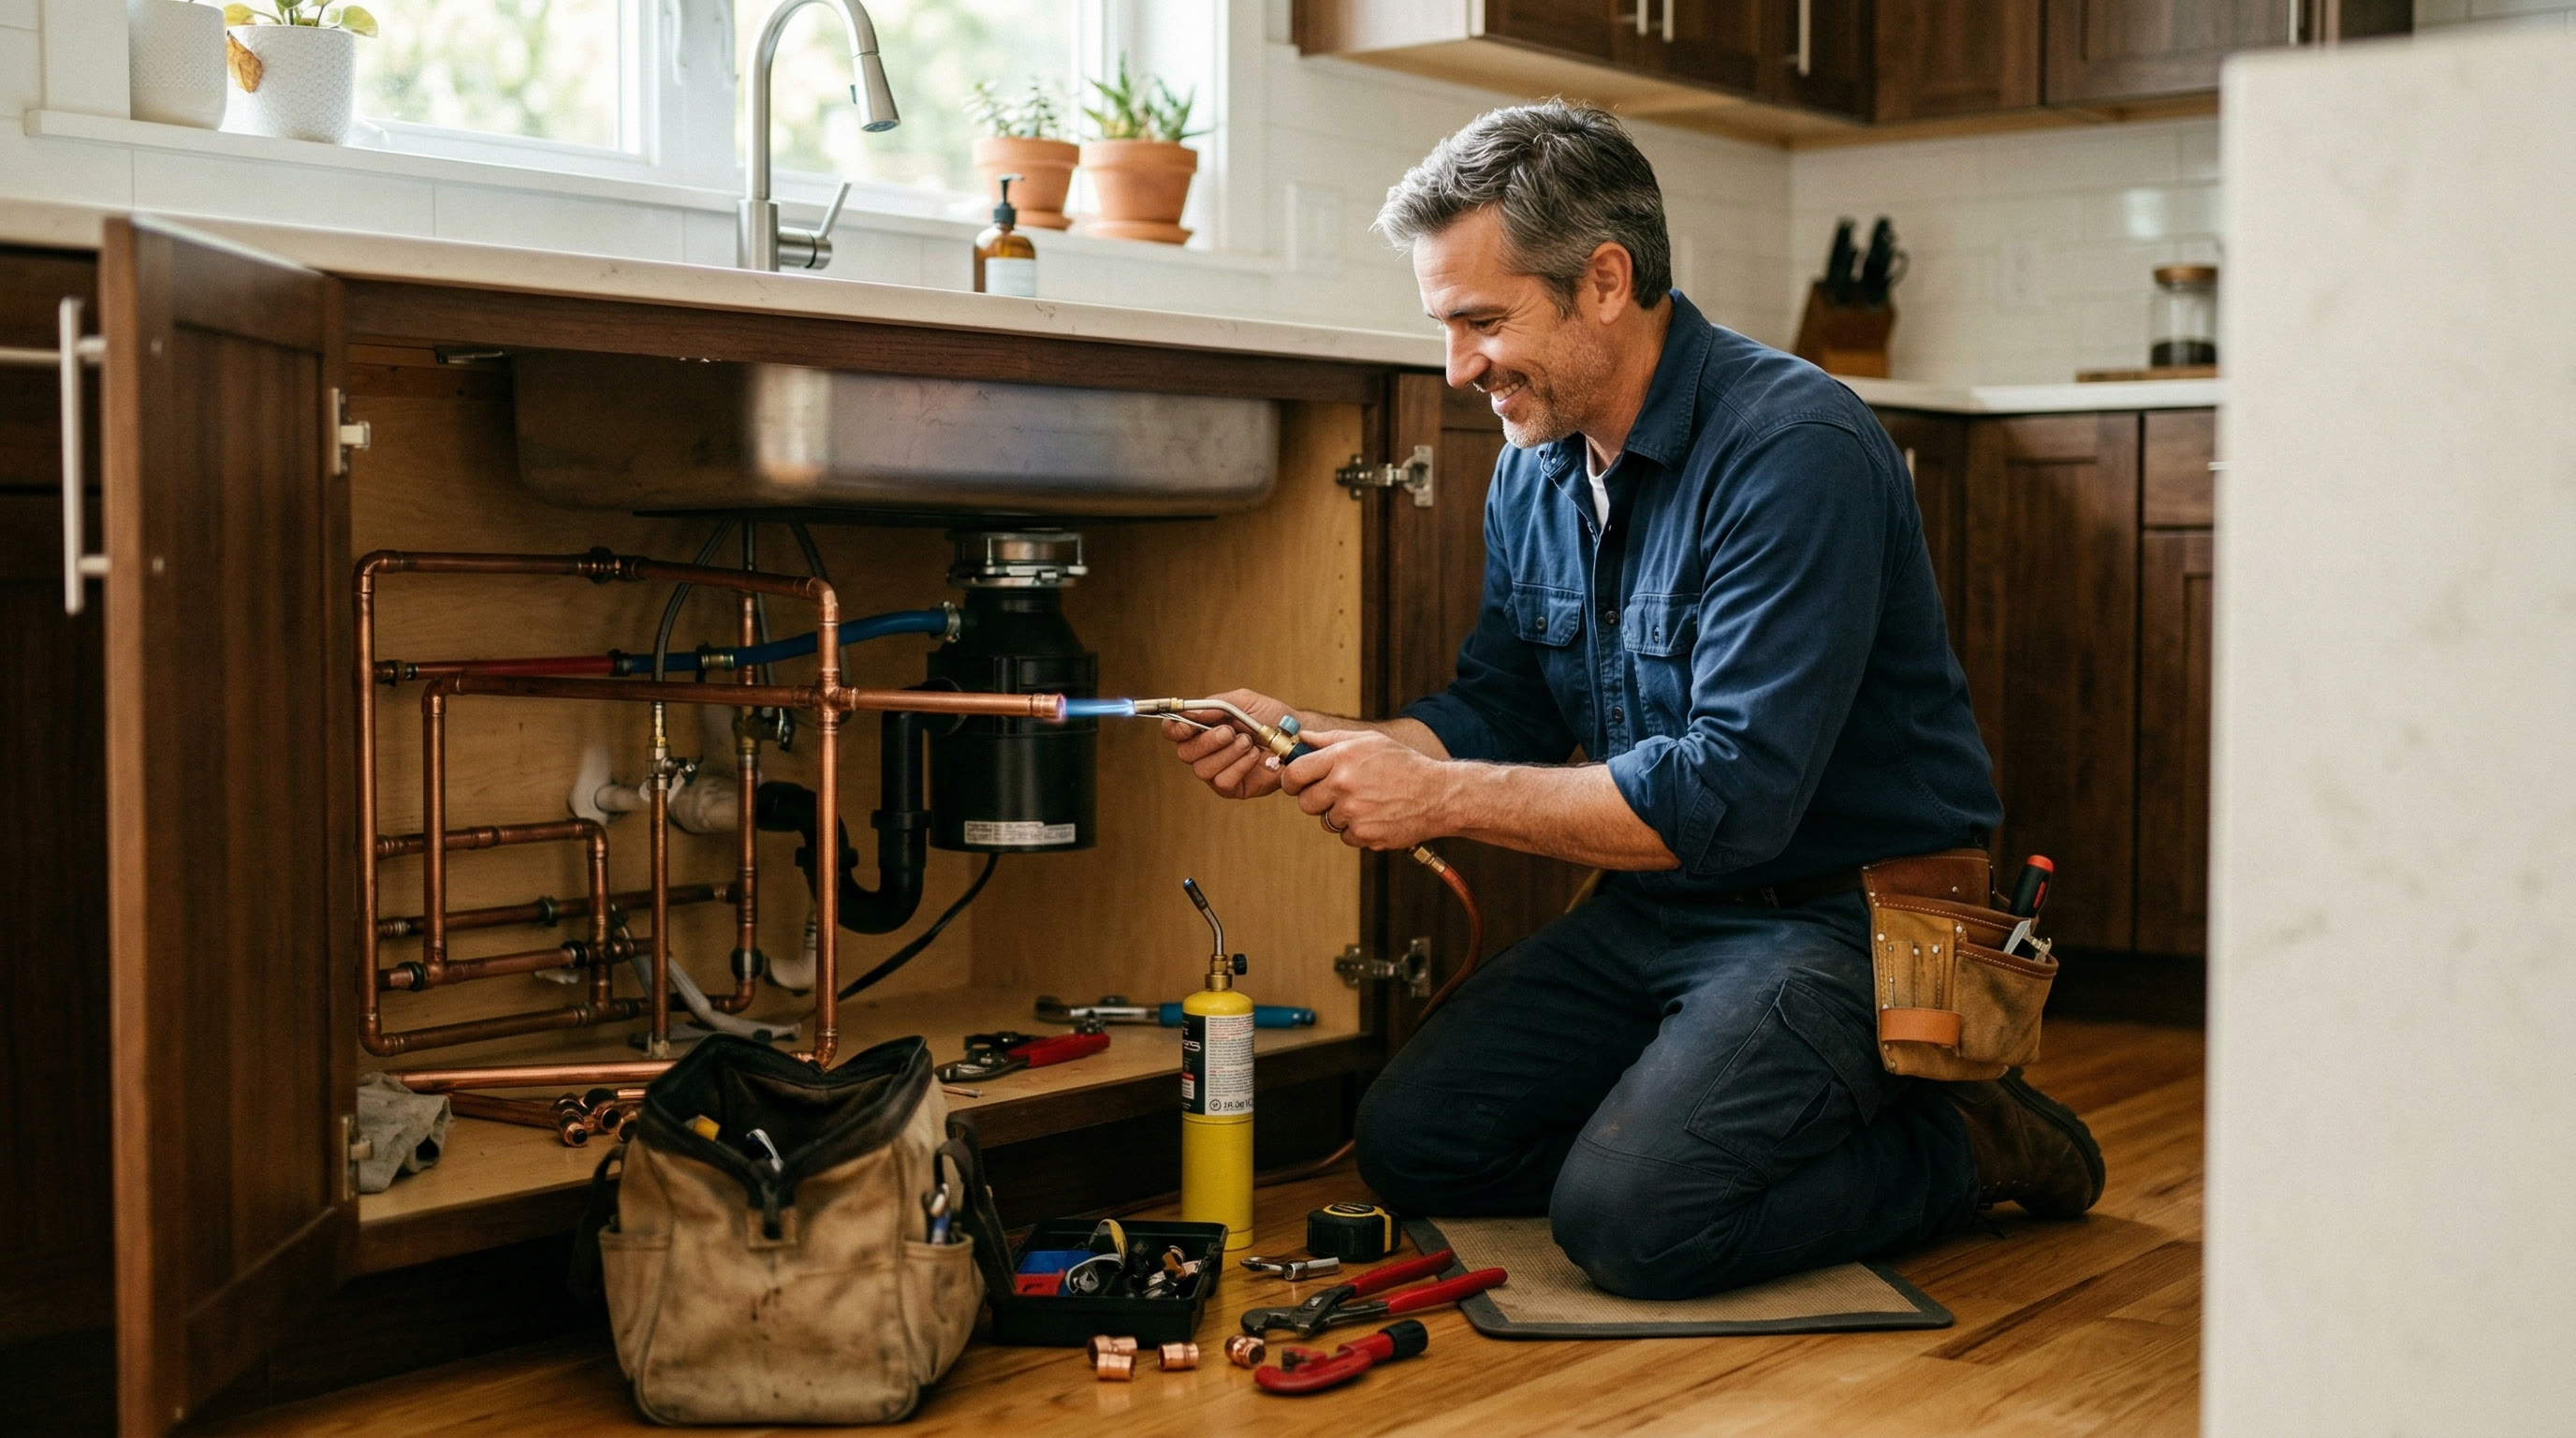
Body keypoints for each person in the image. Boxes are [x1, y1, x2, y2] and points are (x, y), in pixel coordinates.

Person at [1160, 101, 2104, 1299]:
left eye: (1482, 322)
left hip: (1847, 919)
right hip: (1658, 907)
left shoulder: (1796, 446)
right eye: (1444, 328)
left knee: (1634, 1227)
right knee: (1417, 1145)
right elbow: (1495, 710)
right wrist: (1308, 735)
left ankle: (1960, 1140)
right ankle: (1709, 1124)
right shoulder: (1533, 468)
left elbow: (1733, 798)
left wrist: (1435, 794)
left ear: (1604, 280)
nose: (1458, 371)